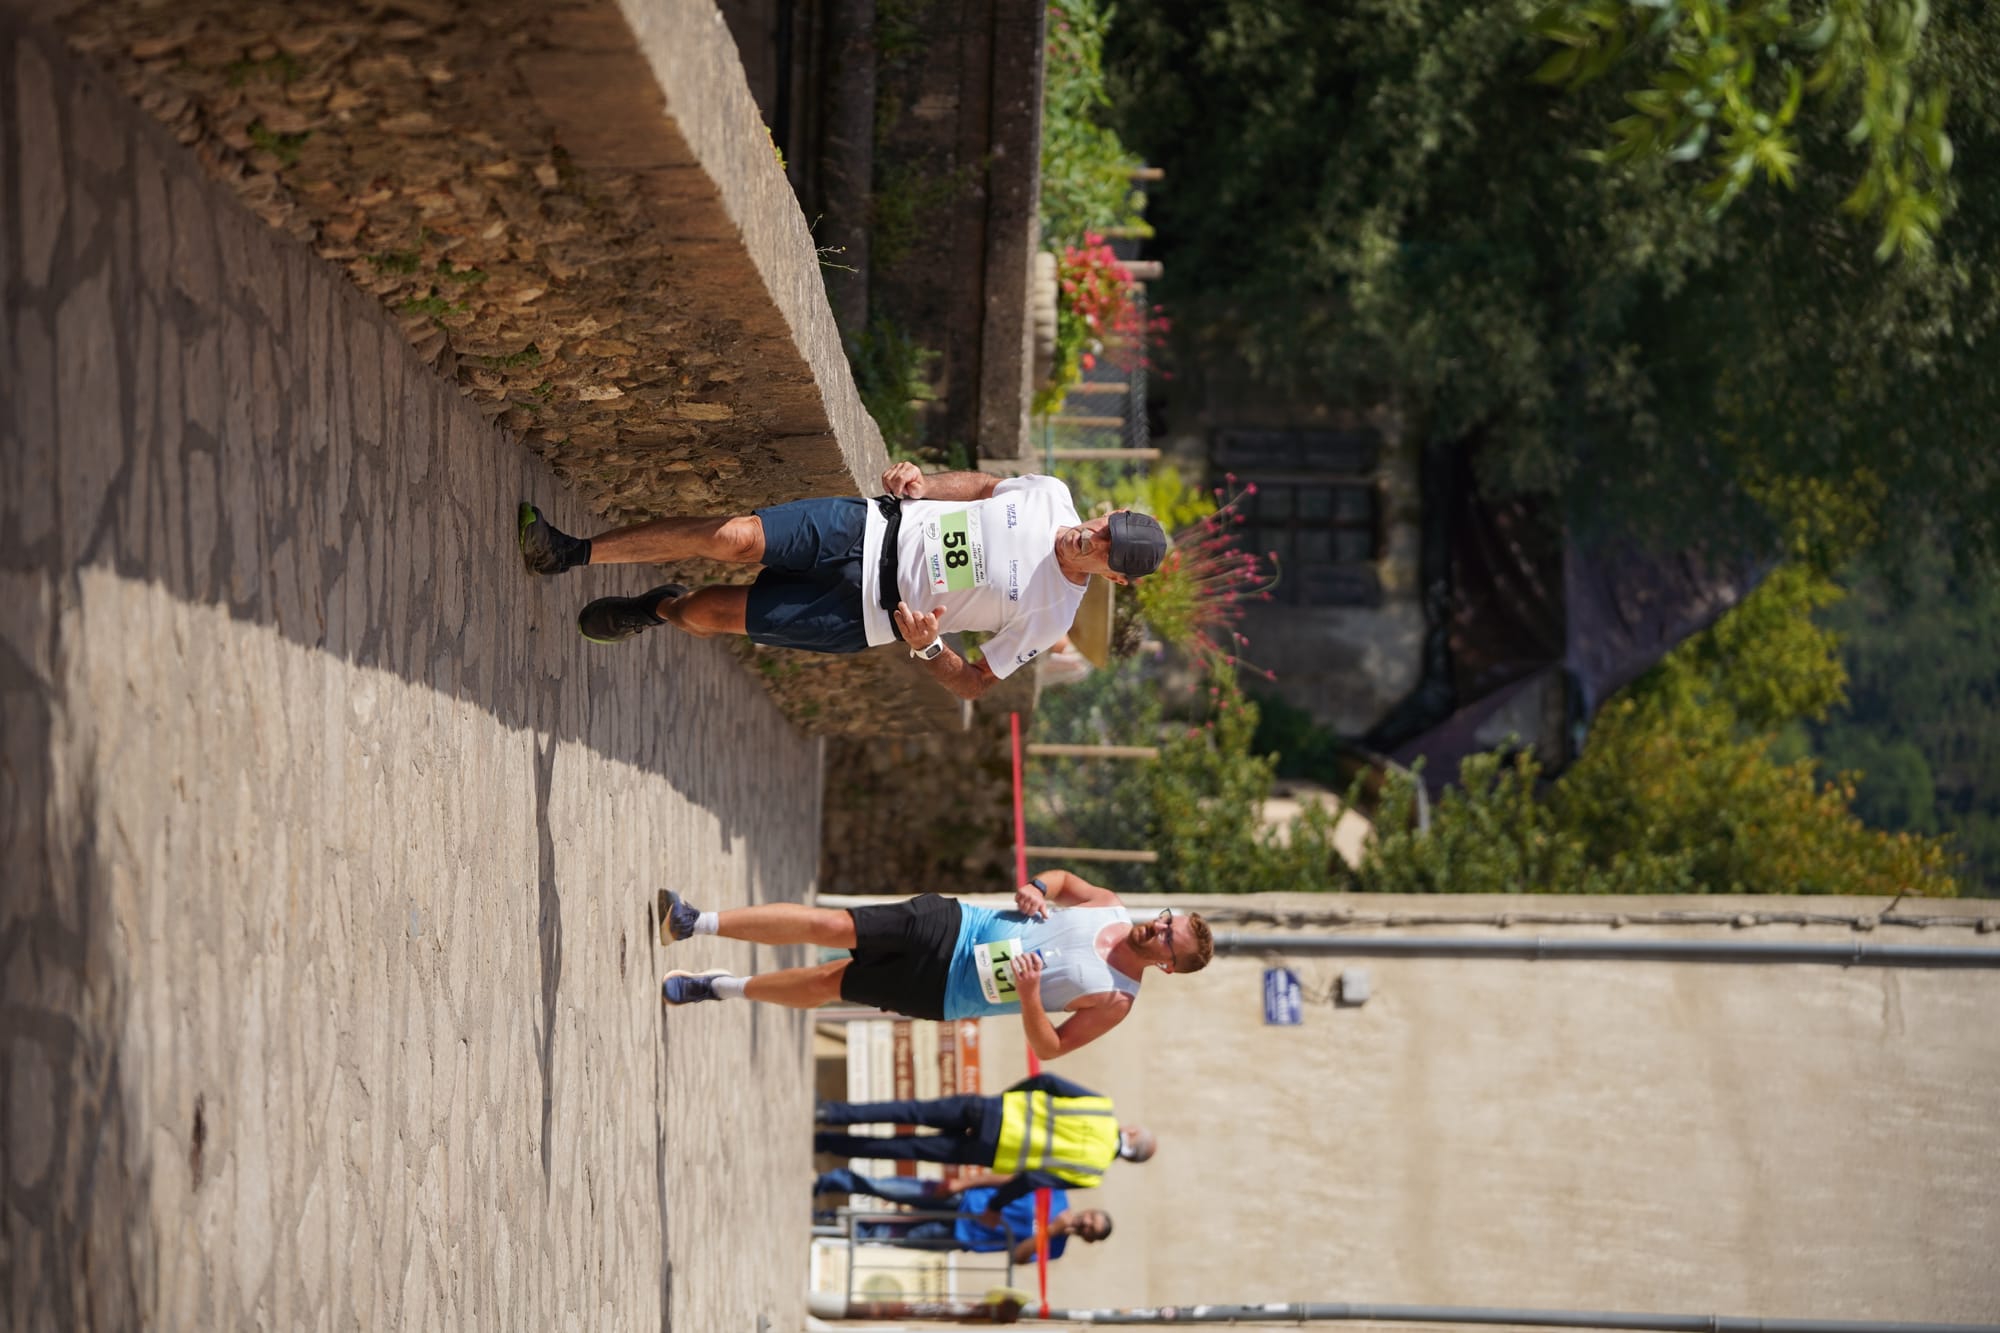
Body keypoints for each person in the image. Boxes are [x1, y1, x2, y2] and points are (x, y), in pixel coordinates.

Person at [516, 462, 1168, 699]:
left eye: (1109, 548)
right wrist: (923, 484)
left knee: (706, 612)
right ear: (1109, 512)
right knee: (734, 538)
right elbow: (984, 486)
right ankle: (569, 552)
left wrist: (929, 646)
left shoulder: (1053, 615)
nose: (1095, 535)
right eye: (1109, 524)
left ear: (1116, 575)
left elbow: (974, 684)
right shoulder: (1050, 493)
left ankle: (657, 609)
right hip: (867, 528)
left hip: (865, 617)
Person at [655, 870, 1214, 1060]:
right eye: (1168, 920)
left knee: (831, 982)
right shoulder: (1110, 905)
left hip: (947, 992)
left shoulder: (1116, 1001)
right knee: (833, 926)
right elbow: (1065, 883)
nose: (1159, 928)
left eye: (1170, 939)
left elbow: (1051, 1049)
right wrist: (1036, 887)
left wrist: (1028, 996)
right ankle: (694, 921)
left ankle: (719, 987)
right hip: (956, 924)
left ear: (1168, 965)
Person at [813, 1074, 1152, 1220]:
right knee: (908, 1149)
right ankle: (828, 1143)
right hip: (988, 1150)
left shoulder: (1100, 1106)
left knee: (913, 1110)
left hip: (992, 1111)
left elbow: (1046, 1081)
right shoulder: (1092, 1175)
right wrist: (995, 1204)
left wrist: (1003, 1101)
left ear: (1131, 1131)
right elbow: (1032, 1181)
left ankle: (830, 1112)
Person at [813, 1168, 1111, 1263]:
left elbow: (1017, 1256)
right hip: (963, 1199)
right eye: (1091, 1219)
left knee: (886, 1234)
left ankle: (824, 1223)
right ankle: (828, 1182)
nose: (1086, 1224)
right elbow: (1009, 1181)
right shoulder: (1055, 1193)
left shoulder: (1055, 1249)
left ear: (1089, 1239)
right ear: (1089, 1210)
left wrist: (1049, 1232)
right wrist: (967, 1181)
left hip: (961, 1235)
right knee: (890, 1188)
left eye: (1091, 1230)